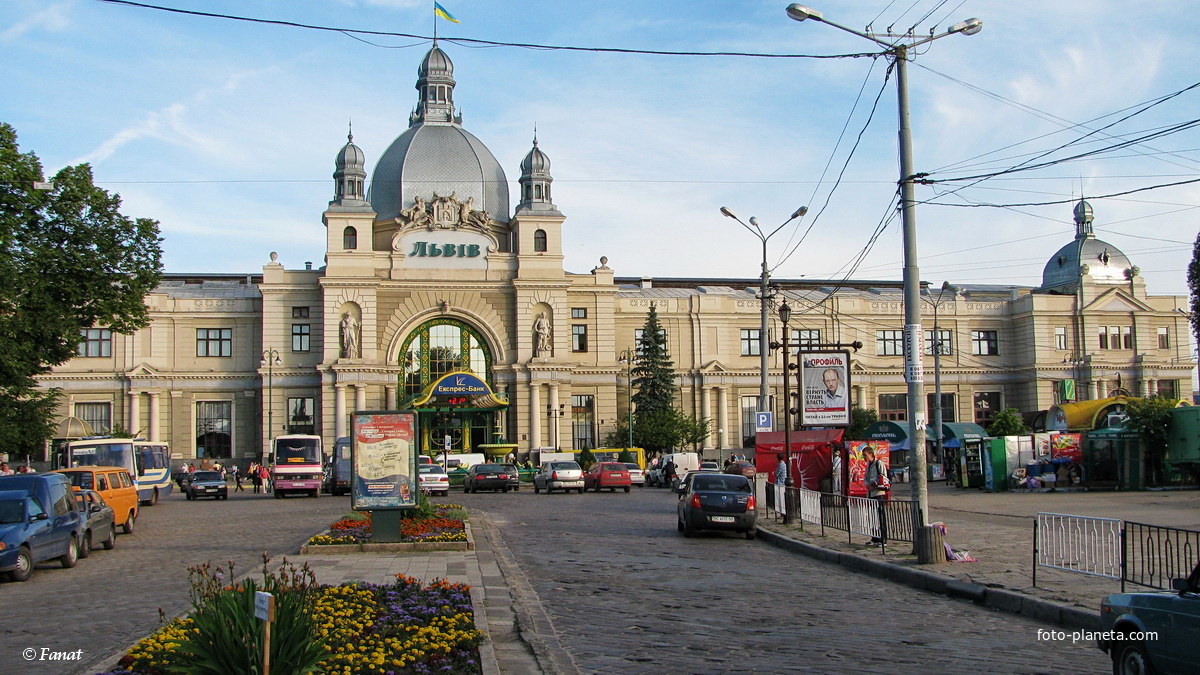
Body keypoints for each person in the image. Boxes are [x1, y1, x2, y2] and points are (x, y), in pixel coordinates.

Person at [864, 445, 889, 546]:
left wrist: (874, 483)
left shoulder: (878, 463)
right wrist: (867, 484)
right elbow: (865, 478)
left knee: (880, 516)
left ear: (871, 454)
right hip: (870, 493)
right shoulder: (868, 465)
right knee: (872, 516)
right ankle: (874, 538)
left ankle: (883, 539)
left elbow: (883, 476)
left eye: (865, 455)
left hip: (878, 493)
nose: (864, 458)